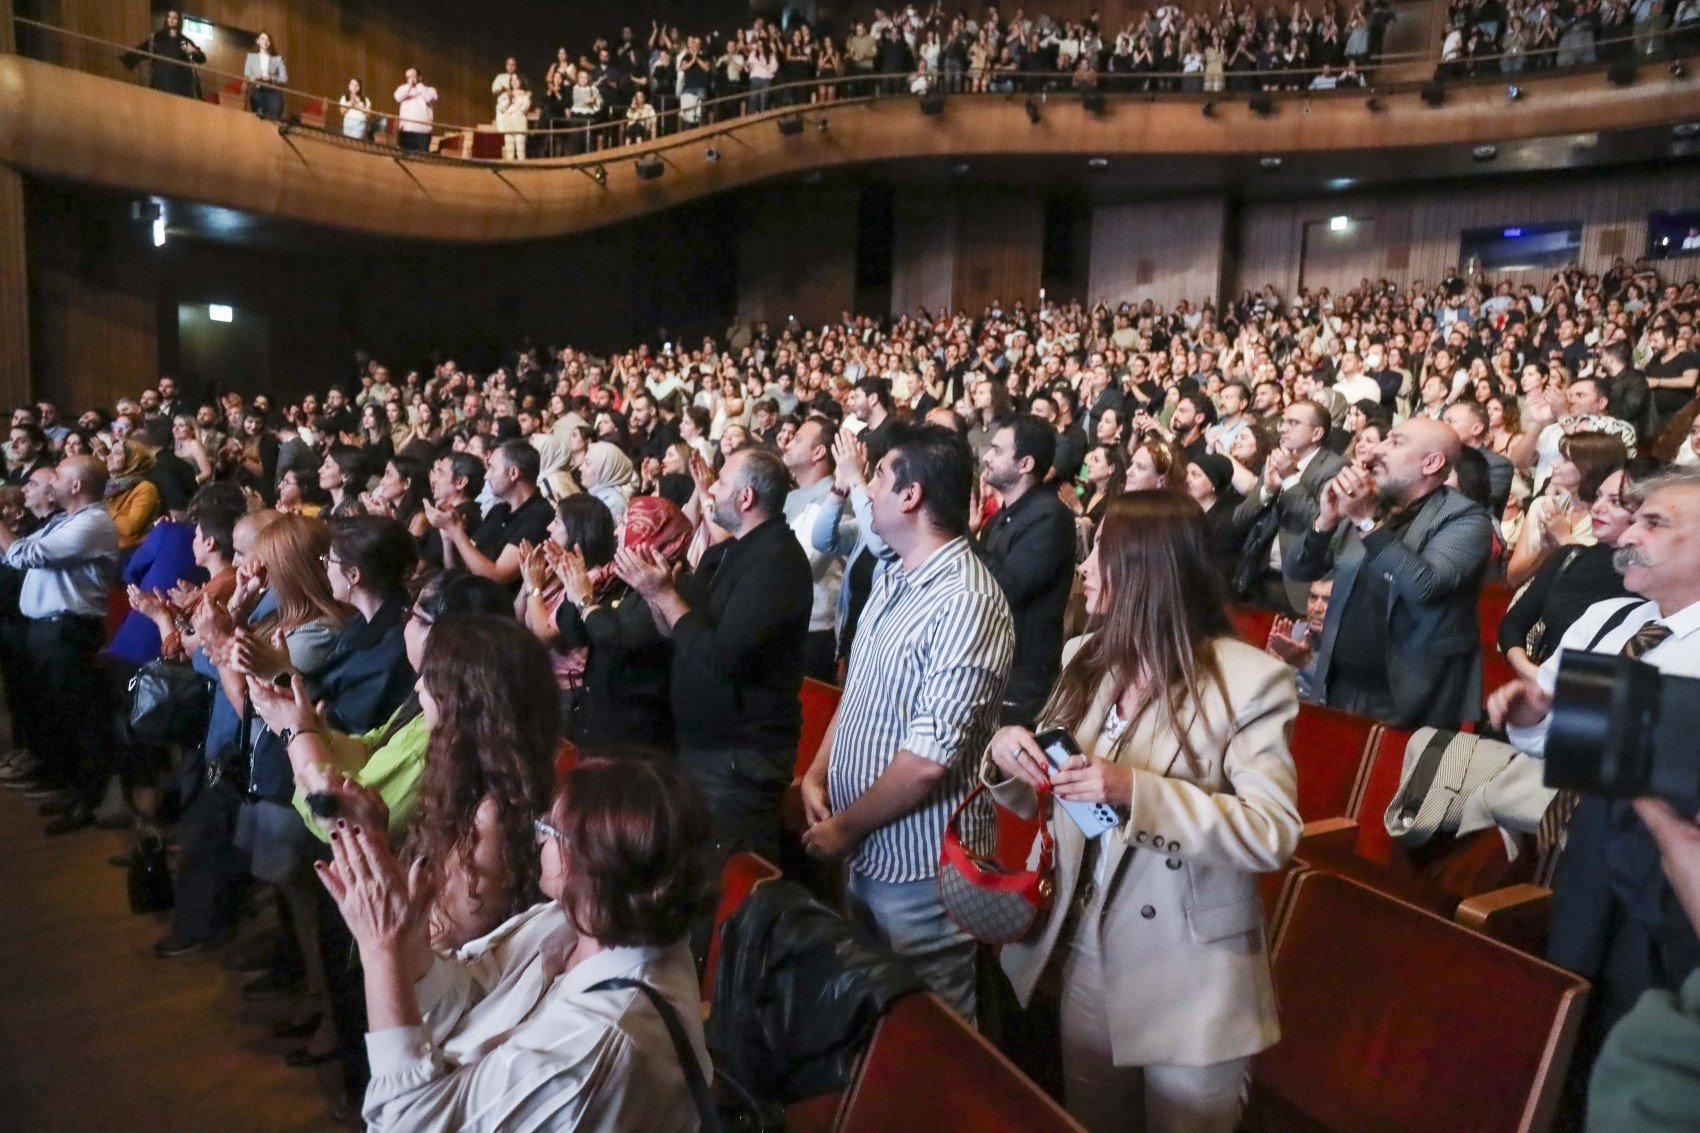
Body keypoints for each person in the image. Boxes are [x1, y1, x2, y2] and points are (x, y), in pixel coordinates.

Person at [983, 491, 1301, 1133]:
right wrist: (1005, 754)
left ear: (1147, 567)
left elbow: (1273, 834)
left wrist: (1137, 790)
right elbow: (1055, 787)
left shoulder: (1249, 682)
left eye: (1099, 550)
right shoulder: (1089, 657)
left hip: (1191, 968)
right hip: (1090, 950)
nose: (1085, 568)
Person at [314, 754, 716, 1132]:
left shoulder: (601, 1046)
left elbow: (403, 1123)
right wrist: (406, 937)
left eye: (552, 829)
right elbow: (468, 992)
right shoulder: (568, 922)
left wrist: (381, 950)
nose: (540, 834)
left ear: (597, 867)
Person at [1489, 467, 1700, 1120]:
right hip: (1585, 848)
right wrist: (1529, 717)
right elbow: (1559, 735)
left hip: (1674, 876)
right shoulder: (1608, 617)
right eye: (1633, 518)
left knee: (1638, 1019)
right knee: (1572, 1004)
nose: (1629, 533)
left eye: (1654, 522)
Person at [801, 424, 1014, 1022]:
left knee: (932, 1035)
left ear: (911, 496)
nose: (867, 489)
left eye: (878, 477)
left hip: (923, 872)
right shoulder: (893, 574)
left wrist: (844, 829)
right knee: (879, 1019)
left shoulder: (965, 600)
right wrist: (819, 776)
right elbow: (859, 696)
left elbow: (928, 762)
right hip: (870, 852)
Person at [615, 447, 812, 863]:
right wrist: (655, 592)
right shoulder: (728, 552)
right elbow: (679, 633)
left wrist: (664, 595)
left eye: (720, 482)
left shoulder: (777, 563)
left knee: (730, 881)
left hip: (739, 760)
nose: (710, 490)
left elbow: (723, 660)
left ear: (745, 499)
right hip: (703, 748)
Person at [1286, 417, 1493, 729]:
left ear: (1431, 463)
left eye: (1395, 442)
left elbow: (1422, 586)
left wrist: (1367, 522)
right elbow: (1300, 568)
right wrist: (1325, 522)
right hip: (1342, 682)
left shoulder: (1467, 519)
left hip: (1414, 696)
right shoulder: (1369, 504)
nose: (1377, 450)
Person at [0, 457, 121, 833]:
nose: (49, 484)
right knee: (58, 717)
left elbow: (25, 554)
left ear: (75, 487)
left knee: (80, 719)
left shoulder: (94, 523)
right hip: (48, 631)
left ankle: (90, 800)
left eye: (59, 478)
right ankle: (73, 790)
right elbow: (17, 552)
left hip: (68, 631)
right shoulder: (64, 520)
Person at [978, 415, 1076, 726]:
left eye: (996, 451)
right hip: (992, 662)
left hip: (1022, 676)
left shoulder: (1051, 516)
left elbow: (1008, 589)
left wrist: (963, 538)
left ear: (1025, 464)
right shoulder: (998, 519)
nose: (986, 458)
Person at [1232, 400, 1346, 614]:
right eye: (1283, 422)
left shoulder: (1334, 468)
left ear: (1316, 433)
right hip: (1256, 575)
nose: (1282, 428)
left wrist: (1289, 479)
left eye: (1293, 423)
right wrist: (1268, 489)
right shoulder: (1276, 460)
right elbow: (1240, 519)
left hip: (1298, 585)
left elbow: (1324, 522)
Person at [427, 440, 551, 586]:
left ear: (513, 473)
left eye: (492, 468)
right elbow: (459, 571)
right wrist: (448, 538)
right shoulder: (499, 511)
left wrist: (456, 532)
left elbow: (497, 576)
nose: (486, 476)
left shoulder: (540, 516)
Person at [782, 415, 847, 683]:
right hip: (791, 620)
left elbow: (804, 566)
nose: (787, 442)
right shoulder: (793, 494)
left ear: (818, 452)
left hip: (813, 628)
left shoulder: (830, 498)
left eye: (798, 439)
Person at [123, 9, 206, 99]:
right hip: (161, 82)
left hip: (182, 85)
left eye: (174, 18)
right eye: (169, 17)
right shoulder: (157, 38)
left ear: (179, 21)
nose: (171, 19)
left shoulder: (183, 41)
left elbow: (201, 59)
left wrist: (194, 50)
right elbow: (141, 51)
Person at [104, 438, 162, 553]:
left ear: (134, 459)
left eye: (117, 453)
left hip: (130, 551)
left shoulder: (146, 488)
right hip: (107, 548)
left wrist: (102, 505)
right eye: (111, 452)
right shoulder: (111, 486)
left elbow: (129, 529)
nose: (108, 457)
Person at [244, 31, 289, 120]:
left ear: (270, 43)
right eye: (263, 39)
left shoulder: (278, 59)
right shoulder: (251, 57)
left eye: (267, 40)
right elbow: (247, 76)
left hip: (273, 92)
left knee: (272, 119)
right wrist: (256, 78)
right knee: (258, 119)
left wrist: (271, 78)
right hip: (257, 91)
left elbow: (284, 79)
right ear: (258, 41)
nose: (265, 41)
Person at [394, 68, 438, 152]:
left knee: (421, 159)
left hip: (423, 132)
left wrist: (418, 86)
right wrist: (409, 86)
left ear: (419, 77)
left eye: (412, 76)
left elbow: (428, 97)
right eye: (408, 77)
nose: (410, 79)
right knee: (404, 155)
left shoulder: (430, 90)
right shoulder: (403, 89)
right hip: (406, 130)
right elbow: (398, 97)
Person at [494, 74, 530, 162]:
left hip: (520, 123)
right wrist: (509, 101)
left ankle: (522, 171)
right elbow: (501, 108)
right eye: (512, 80)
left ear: (520, 81)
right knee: (509, 151)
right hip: (508, 123)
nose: (514, 81)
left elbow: (525, 108)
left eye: (516, 79)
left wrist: (515, 103)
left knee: (520, 151)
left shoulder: (525, 95)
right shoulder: (505, 95)